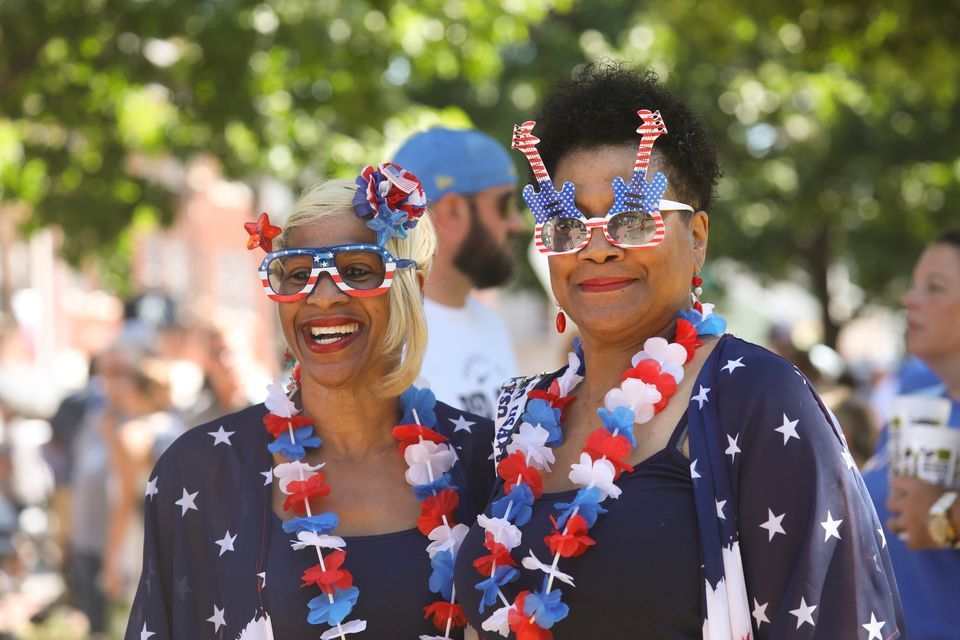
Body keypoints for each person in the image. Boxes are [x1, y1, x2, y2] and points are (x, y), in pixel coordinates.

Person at [452, 63, 903, 639]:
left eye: (634, 221)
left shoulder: (753, 397)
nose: (597, 249)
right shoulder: (521, 415)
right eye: (568, 226)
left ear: (698, 239)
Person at [125, 165, 495, 639]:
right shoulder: (200, 468)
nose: (320, 297)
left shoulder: (482, 460)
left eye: (357, 271)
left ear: (413, 289)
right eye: (298, 274)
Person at [862, 228, 960, 639]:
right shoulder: (916, 398)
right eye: (915, 285)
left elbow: (933, 520)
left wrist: (945, 521)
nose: (909, 299)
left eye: (934, 288)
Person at [393, 128, 524, 418]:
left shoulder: (491, 323)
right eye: (504, 205)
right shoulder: (388, 340)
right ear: (453, 211)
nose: (517, 224)